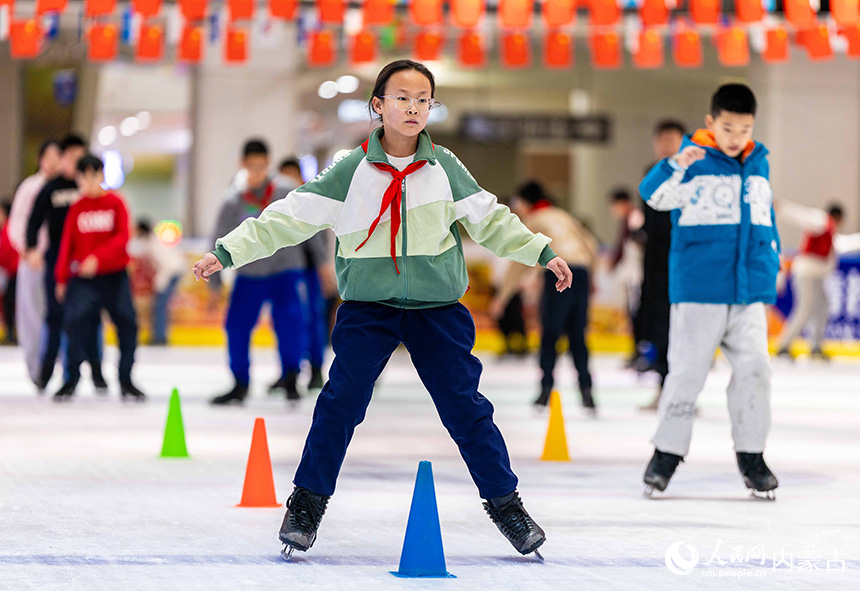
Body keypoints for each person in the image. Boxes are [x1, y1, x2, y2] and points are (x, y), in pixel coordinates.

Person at [193, 60, 573, 559]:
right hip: (368, 308)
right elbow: (288, 217)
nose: (414, 107)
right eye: (402, 97)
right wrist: (226, 251)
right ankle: (305, 506)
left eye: (423, 99)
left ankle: (508, 507)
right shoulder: (351, 170)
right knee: (340, 403)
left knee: (467, 409)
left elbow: (491, 220)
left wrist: (541, 252)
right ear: (379, 105)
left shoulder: (445, 167)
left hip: (437, 309)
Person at [639, 84, 780, 499]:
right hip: (700, 289)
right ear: (711, 123)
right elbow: (653, 196)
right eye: (728, 127)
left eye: (744, 128)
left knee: (757, 370)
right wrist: (674, 164)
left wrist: (771, 262)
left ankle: (752, 457)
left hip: (748, 290)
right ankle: (666, 454)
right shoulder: (692, 161)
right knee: (687, 374)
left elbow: (764, 218)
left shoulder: (758, 164)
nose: (736, 136)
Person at [209, 140, 329, 405]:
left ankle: (290, 378)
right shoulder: (234, 198)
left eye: (261, 166)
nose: (256, 171)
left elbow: (307, 224)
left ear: (268, 163)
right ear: (242, 164)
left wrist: (321, 262)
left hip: (286, 269)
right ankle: (239, 382)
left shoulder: (286, 189)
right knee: (236, 326)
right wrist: (214, 280)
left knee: (291, 324)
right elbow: (219, 235)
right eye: (251, 166)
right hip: (250, 274)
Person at [491, 181, 599, 415]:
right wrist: (592, 277)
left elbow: (518, 262)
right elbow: (590, 244)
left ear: (524, 202)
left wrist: (502, 297)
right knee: (577, 335)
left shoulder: (533, 221)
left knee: (550, 333)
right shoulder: (563, 215)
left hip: (558, 272)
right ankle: (587, 393)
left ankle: (544, 391)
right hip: (581, 271)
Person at [53, 154, 144, 401]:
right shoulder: (77, 208)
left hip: (114, 276)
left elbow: (123, 237)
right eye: (84, 176)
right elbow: (67, 246)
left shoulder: (116, 202)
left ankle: (126, 380)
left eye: (94, 175)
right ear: (78, 178)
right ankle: (70, 379)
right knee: (74, 324)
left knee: (127, 325)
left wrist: (97, 258)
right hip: (83, 280)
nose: (89, 181)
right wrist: (61, 279)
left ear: (102, 175)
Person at [25, 134, 105, 393]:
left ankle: (96, 372)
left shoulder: (93, 193)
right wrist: (31, 248)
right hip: (57, 262)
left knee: (91, 317)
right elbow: (34, 221)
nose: (75, 163)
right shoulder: (51, 188)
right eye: (70, 157)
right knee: (56, 317)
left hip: (87, 267)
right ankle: (46, 374)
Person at [638, 120, 686, 411]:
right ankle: (664, 387)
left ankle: (680, 393)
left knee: (681, 329)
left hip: (681, 261)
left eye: (673, 139)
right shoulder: (651, 175)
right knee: (658, 328)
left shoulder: (691, 176)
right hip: (655, 265)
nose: (667, 144)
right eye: (662, 139)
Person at [775, 201, 860, 360]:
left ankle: (816, 346)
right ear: (838, 217)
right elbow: (802, 216)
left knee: (823, 307)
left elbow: (845, 244)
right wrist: (783, 208)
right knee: (804, 309)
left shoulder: (830, 232)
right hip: (806, 275)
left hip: (817, 278)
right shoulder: (821, 221)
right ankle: (784, 345)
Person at [279, 157, 337, 391]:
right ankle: (288, 371)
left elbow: (321, 240)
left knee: (312, 319)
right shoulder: (280, 203)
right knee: (287, 322)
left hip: (311, 271)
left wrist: (325, 268)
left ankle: (315, 369)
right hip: (286, 272)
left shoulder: (311, 200)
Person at [7, 139, 61, 381]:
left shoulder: (64, 187)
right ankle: (35, 369)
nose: (52, 162)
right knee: (31, 316)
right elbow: (16, 223)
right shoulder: (30, 187)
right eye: (48, 157)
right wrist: (28, 250)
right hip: (33, 260)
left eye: (57, 157)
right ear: (40, 160)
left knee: (57, 315)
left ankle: (56, 367)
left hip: (57, 261)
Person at [131, 220, 186, 345]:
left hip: (171, 273)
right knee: (159, 307)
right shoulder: (152, 242)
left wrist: (161, 283)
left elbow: (167, 265)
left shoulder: (154, 244)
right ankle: (159, 335)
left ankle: (160, 337)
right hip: (173, 272)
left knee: (160, 307)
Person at [608, 188, 645, 365]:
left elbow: (639, 242)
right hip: (632, 274)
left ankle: (640, 351)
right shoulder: (628, 220)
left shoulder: (634, 218)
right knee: (632, 313)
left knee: (637, 313)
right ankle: (637, 350)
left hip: (637, 274)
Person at [0, 202, 18, 344]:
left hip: (17, 272)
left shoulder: (12, 227)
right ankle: (10, 331)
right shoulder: (4, 230)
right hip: (9, 273)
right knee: (8, 302)